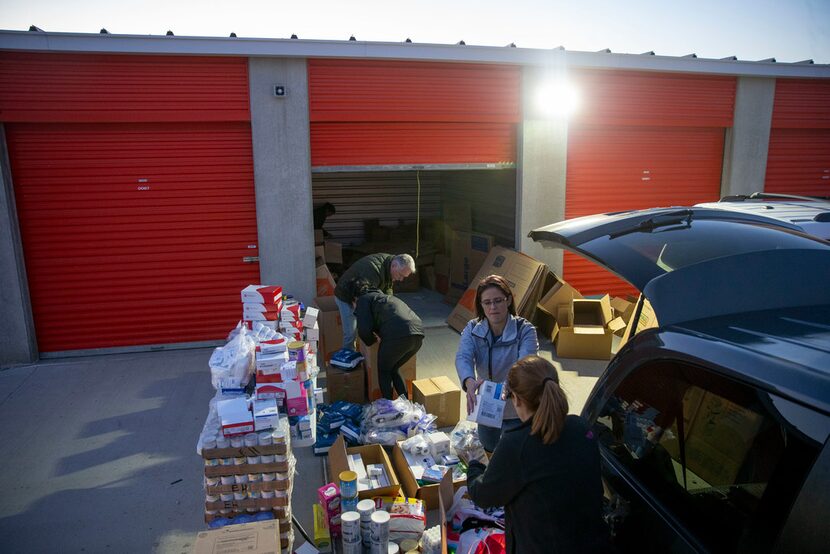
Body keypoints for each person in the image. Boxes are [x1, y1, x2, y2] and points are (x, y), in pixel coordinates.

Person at [466, 355, 615, 554]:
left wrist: (474, 465)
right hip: (592, 543)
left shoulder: (516, 444)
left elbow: (483, 495)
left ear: (517, 399)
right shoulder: (580, 427)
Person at [455, 275, 538, 452]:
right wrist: (468, 381)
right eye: (487, 302)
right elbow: (463, 357)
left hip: (516, 406)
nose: (493, 307)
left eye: (498, 301)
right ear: (481, 305)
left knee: (515, 454)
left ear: (508, 300)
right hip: (485, 406)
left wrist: (506, 388)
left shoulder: (525, 330)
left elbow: (525, 365)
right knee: (489, 450)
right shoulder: (472, 328)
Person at [353, 283, 424, 399]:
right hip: (418, 333)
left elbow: (364, 330)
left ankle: (388, 407)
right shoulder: (383, 298)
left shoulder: (363, 299)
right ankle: (405, 405)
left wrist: (372, 341)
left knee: (384, 370)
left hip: (398, 334)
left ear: (355, 297)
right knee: (393, 368)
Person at [334, 253, 416, 350]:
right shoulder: (373, 270)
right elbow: (362, 302)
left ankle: (361, 354)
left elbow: (387, 292)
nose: (401, 279)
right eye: (401, 275)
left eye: (404, 277)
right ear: (394, 265)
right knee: (351, 332)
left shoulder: (389, 266)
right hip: (346, 295)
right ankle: (346, 358)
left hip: (360, 293)